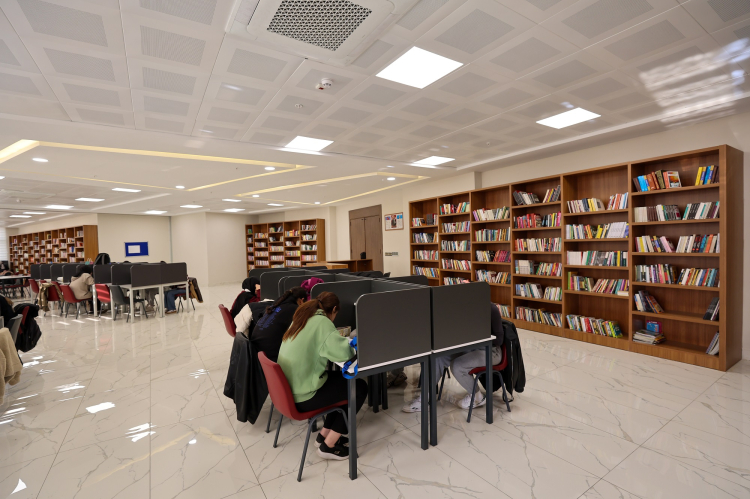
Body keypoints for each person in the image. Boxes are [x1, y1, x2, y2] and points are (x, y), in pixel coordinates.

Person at [277, 292, 367, 460]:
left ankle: (323, 436)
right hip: (303, 396)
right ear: (334, 309)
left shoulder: (303, 317)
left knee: (342, 384)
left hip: (287, 391)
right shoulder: (322, 322)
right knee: (358, 388)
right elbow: (344, 354)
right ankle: (329, 446)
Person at [401, 302, 504, 412]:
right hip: (469, 346)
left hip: (490, 351)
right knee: (438, 357)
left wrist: (477, 332)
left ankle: (478, 397)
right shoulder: (465, 307)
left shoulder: (491, 308)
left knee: (457, 366)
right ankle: (424, 399)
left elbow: (499, 340)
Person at [246, 287, 307, 361]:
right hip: (269, 356)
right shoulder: (294, 309)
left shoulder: (275, 306)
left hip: (256, 352)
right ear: (301, 301)